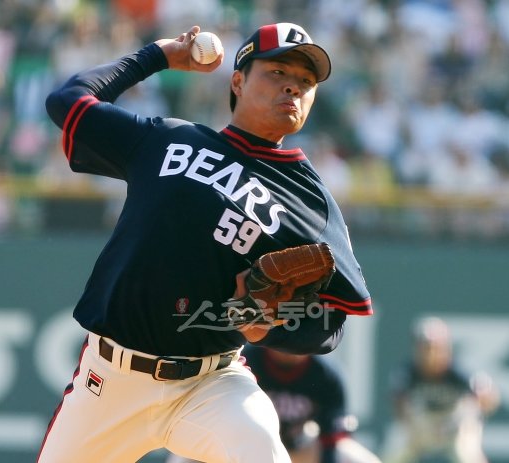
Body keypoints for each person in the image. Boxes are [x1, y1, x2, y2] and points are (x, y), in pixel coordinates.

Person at [37, 22, 373, 463]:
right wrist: (157, 56)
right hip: (110, 380)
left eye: (305, 81)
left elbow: (333, 322)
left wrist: (271, 325)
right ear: (238, 82)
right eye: (277, 72)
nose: (293, 87)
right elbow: (68, 102)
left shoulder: (311, 201)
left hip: (211, 383)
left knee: (261, 447)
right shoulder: (168, 139)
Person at [166, 346, 382, 463]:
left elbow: (330, 442)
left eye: (300, 338)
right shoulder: (247, 360)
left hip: (298, 448)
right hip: (243, 446)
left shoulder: (327, 375)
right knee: (183, 457)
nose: (291, 345)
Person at [382, 316, 500, 463]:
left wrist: (473, 411)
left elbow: (488, 398)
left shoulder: (459, 372)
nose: (431, 354)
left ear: (446, 350)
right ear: (417, 349)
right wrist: (415, 426)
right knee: (393, 454)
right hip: (421, 424)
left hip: (455, 424)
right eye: (426, 348)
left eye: (436, 348)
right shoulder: (407, 373)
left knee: (468, 455)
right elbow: (399, 407)